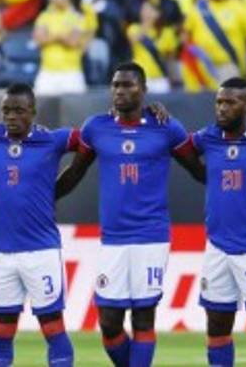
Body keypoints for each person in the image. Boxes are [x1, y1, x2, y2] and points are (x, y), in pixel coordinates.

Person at [61, 62, 204, 367]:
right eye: (115, 85)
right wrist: (43, 198)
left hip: (151, 236)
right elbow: (74, 172)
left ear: (144, 89)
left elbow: (198, 169)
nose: (120, 91)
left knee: (143, 317)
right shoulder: (96, 127)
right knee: (109, 321)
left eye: (128, 85)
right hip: (112, 239)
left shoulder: (166, 127)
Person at [0, 83, 80, 366]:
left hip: (42, 252)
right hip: (1, 254)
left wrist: (141, 114)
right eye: (6, 110)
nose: (11, 116)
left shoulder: (52, 140)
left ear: (33, 111)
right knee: (1, 332)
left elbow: (95, 135)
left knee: (53, 328)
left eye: (18, 110)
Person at [182, 77, 246, 367]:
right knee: (216, 325)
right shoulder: (209, 137)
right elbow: (179, 146)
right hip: (217, 246)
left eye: (230, 102)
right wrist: (156, 117)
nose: (222, 108)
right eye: (219, 102)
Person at [33, 0, 91, 95]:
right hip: (47, 73)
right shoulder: (44, 16)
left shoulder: (79, 16)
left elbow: (72, 42)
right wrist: (61, 35)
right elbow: (39, 40)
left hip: (71, 74)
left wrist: (50, 36)